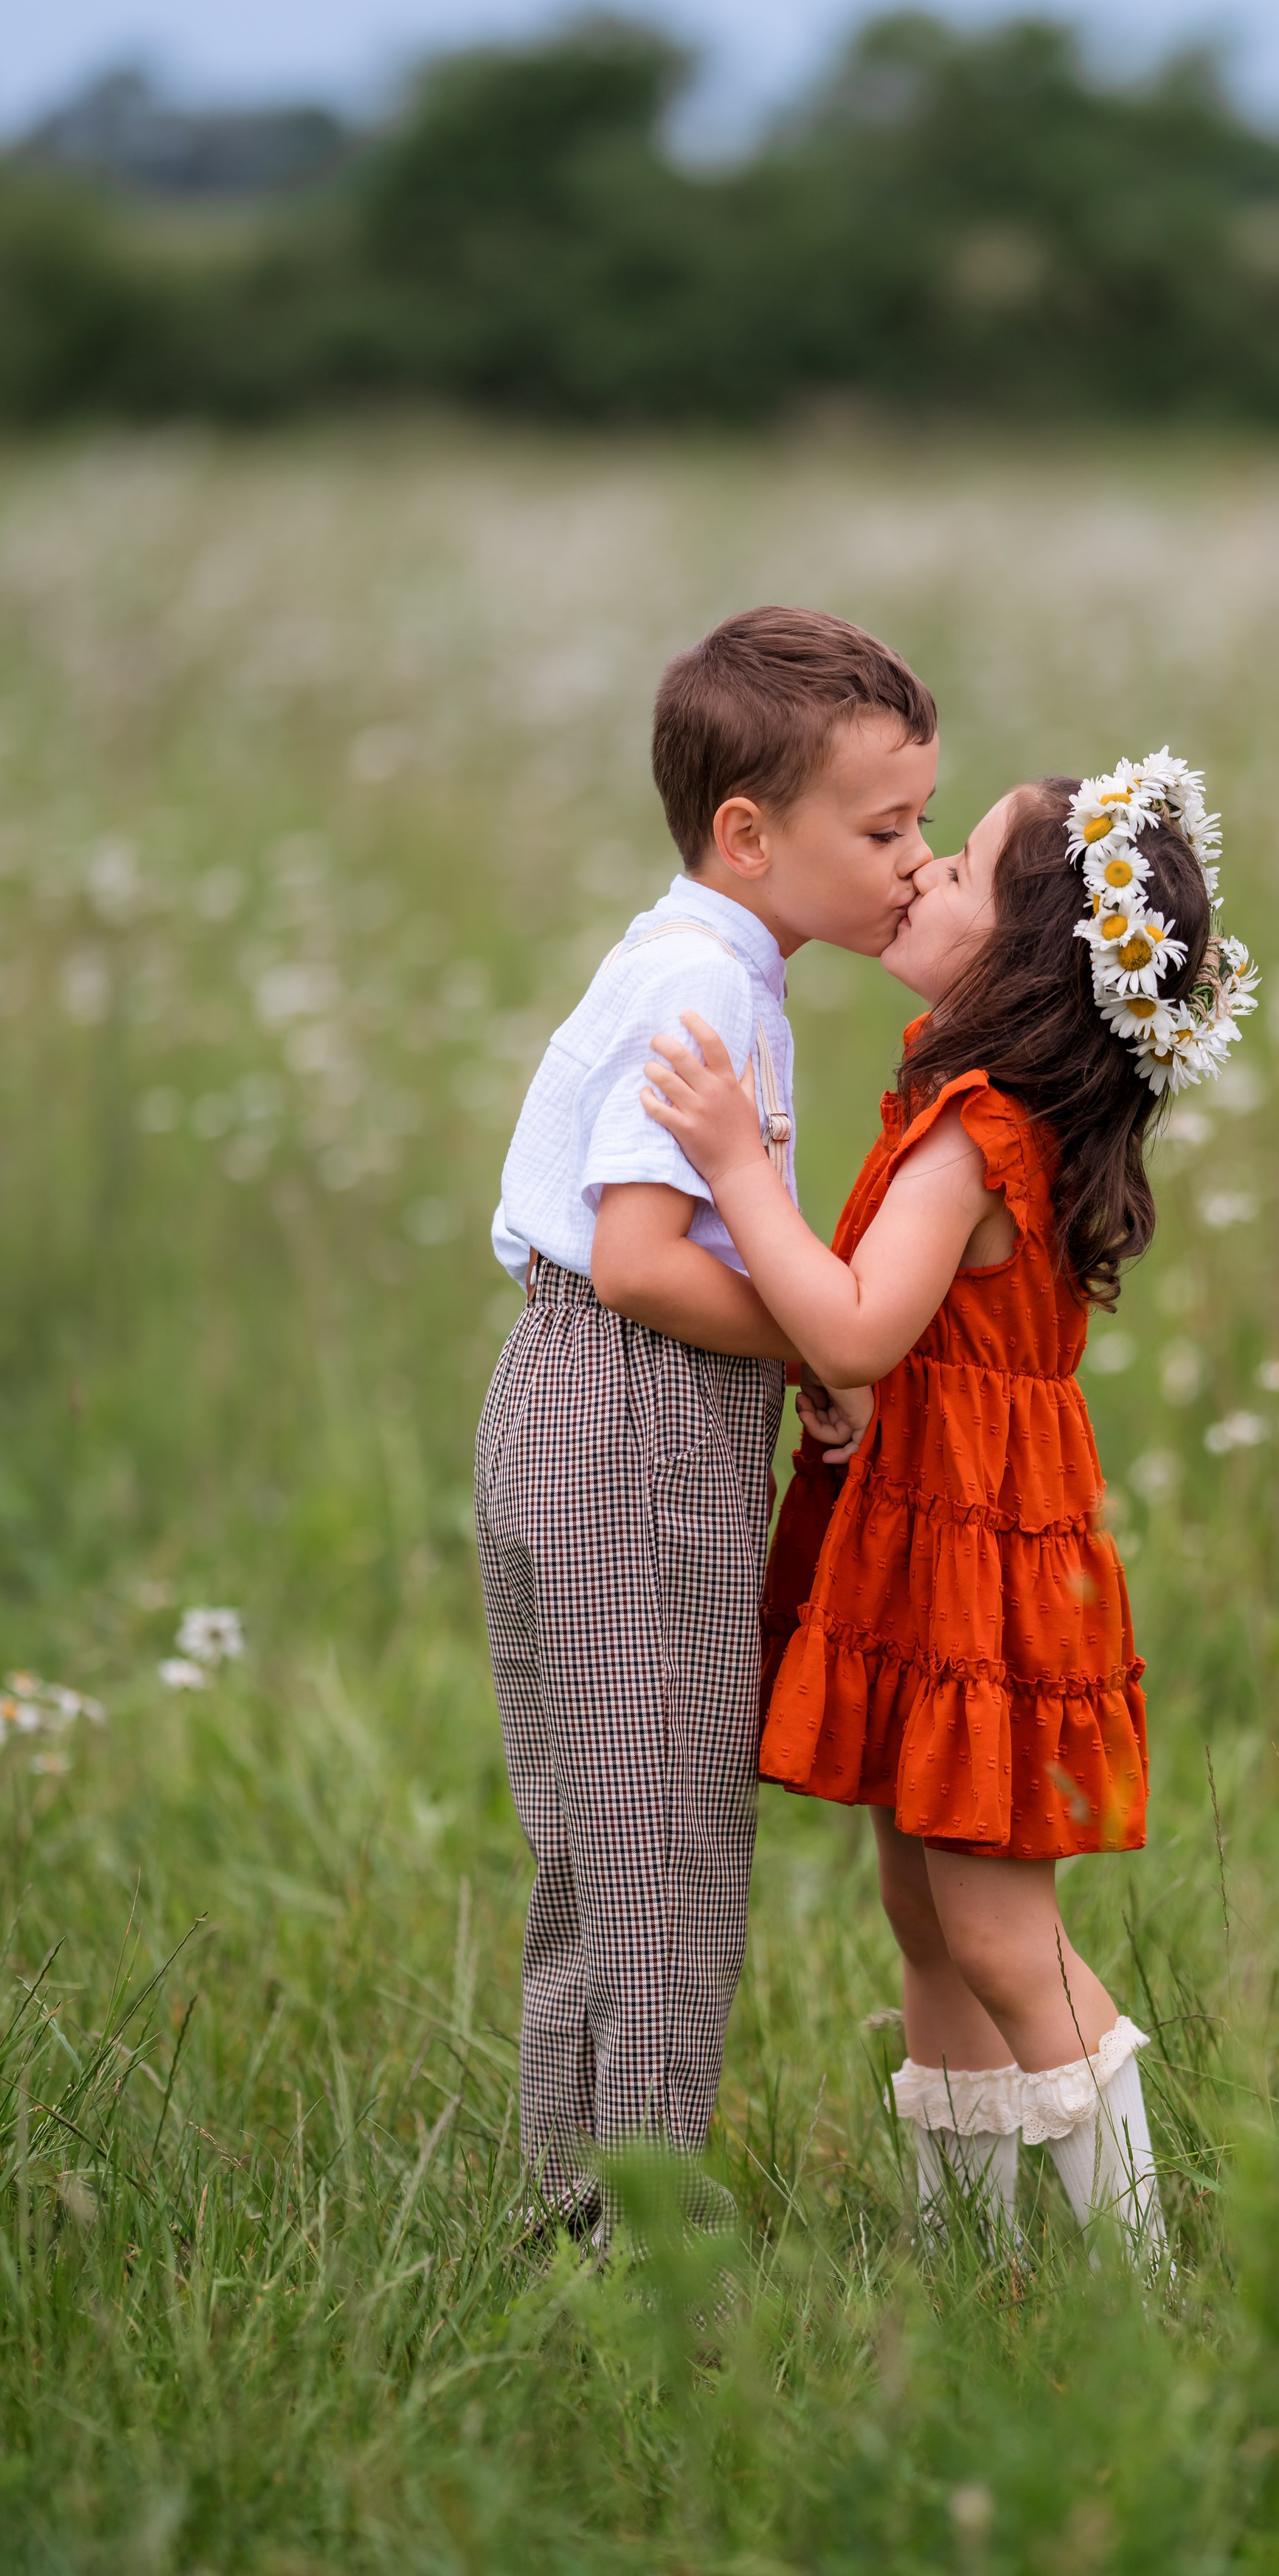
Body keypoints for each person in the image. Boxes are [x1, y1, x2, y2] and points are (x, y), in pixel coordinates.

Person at [642, 749, 1255, 2258]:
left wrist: (733, 1165)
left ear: (1028, 963)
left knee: (994, 1932)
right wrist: (864, 1398)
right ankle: (967, 2251)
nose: (921, 868)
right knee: (925, 1917)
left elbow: (856, 1323)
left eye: (962, 865)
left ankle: (1142, 2273)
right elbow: (918, 1343)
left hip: (978, 1563)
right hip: (942, 1541)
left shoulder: (978, 1128)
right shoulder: (983, 1112)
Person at [476, 606, 938, 2233]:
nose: (916, 862)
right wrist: (820, 1348)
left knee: (602, 1845)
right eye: (883, 830)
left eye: (922, 823)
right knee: (664, 1842)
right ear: (748, 836)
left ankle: (574, 2209)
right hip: (632, 1411)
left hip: (570, 1396)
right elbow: (640, 1261)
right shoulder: (710, 989)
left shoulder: (689, 955)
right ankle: (641, 2246)